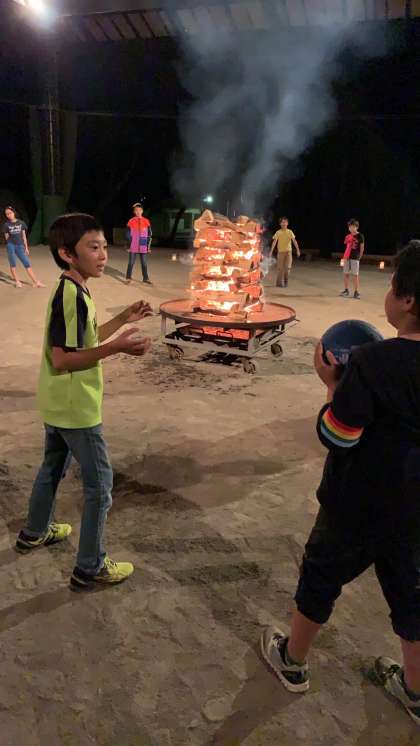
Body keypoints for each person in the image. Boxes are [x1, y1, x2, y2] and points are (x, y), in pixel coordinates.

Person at [260, 240, 420, 726]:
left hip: (355, 504)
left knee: (321, 576)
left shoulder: (372, 362)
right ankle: (415, 690)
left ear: (406, 299)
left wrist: (333, 386)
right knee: (412, 593)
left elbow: (339, 436)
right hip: (414, 511)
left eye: (391, 286)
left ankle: (292, 660)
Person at [15, 213, 153, 591]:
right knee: (100, 486)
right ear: (67, 253)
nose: (103, 255)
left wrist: (122, 319)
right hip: (76, 407)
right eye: (93, 247)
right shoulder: (70, 295)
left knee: (52, 468)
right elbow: (63, 358)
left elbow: (83, 338)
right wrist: (118, 348)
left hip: (58, 402)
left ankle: (34, 532)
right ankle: (89, 567)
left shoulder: (74, 288)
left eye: (104, 246)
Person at [2, 206, 45, 288]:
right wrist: (10, 245)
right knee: (13, 264)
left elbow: (24, 236)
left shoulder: (21, 223)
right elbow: (7, 237)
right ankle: (17, 282)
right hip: (11, 246)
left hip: (20, 246)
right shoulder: (6, 225)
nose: (8, 215)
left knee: (27, 263)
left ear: (14, 212)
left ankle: (36, 282)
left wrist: (26, 248)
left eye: (10, 213)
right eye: (7, 214)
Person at [270, 217, 301, 288]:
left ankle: (286, 281)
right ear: (280, 224)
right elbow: (274, 242)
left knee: (287, 268)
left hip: (288, 253)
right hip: (280, 253)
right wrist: (271, 251)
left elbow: (294, 241)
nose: (284, 223)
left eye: (285, 222)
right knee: (280, 269)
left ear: (287, 223)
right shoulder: (278, 232)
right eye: (282, 222)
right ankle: (279, 283)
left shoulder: (290, 232)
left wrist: (298, 250)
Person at [126, 202, 152, 285]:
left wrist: (148, 247)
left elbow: (150, 234)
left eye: (139, 210)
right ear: (134, 212)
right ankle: (128, 278)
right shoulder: (131, 221)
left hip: (143, 245)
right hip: (133, 245)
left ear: (142, 211)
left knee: (144, 263)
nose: (138, 212)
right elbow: (128, 235)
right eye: (136, 210)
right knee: (131, 263)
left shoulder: (146, 221)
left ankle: (145, 278)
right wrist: (128, 246)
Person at [340, 218, 365, 300]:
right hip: (347, 257)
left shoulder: (360, 236)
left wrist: (359, 257)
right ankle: (346, 290)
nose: (351, 228)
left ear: (357, 227)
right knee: (346, 274)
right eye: (350, 227)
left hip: (355, 257)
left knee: (355, 275)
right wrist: (344, 257)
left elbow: (362, 248)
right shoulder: (347, 236)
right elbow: (347, 247)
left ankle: (356, 292)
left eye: (353, 226)